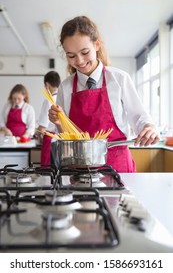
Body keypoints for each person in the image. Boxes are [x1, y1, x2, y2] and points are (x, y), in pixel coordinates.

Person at [48, 16, 160, 172]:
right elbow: (68, 138)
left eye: (85, 52)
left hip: (118, 167)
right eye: (71, 56)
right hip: (80, 170)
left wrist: (149, 127)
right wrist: (59, 123)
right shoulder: (65, 88)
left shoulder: (119, 79)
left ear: (97, 45)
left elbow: (139, 116)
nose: (79, 61)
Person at [36, 71, 61, 166]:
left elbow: (42, 127)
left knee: (48, 173)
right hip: (63, 141)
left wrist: (37, 133)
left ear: (47, 84)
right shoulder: (64, 98)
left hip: (51, 141)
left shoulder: (49, 100)